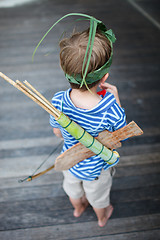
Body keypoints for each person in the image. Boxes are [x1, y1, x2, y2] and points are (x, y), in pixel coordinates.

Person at [50, 23, 126, 227]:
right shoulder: (109, 107)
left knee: (72, 190)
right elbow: (120, 136)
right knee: (98, 197)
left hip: (70, 162)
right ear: (104, 77)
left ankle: (78, 207)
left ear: (64, 69)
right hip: (96, 169)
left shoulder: (58, 101)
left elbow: (58, 133)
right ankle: (102, 216)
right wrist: (116, 100)